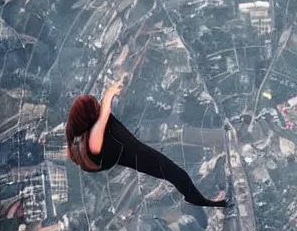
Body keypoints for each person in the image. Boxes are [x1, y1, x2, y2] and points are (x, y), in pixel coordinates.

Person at [66, 77, 226, 209]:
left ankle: (195, 197)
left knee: (172, 172)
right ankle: (198, 199)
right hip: (122, 153)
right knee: (176, 173)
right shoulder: (93, 139)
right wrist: (109, 95)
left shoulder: (81, 136)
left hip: (117, 152)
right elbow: (102, 119)